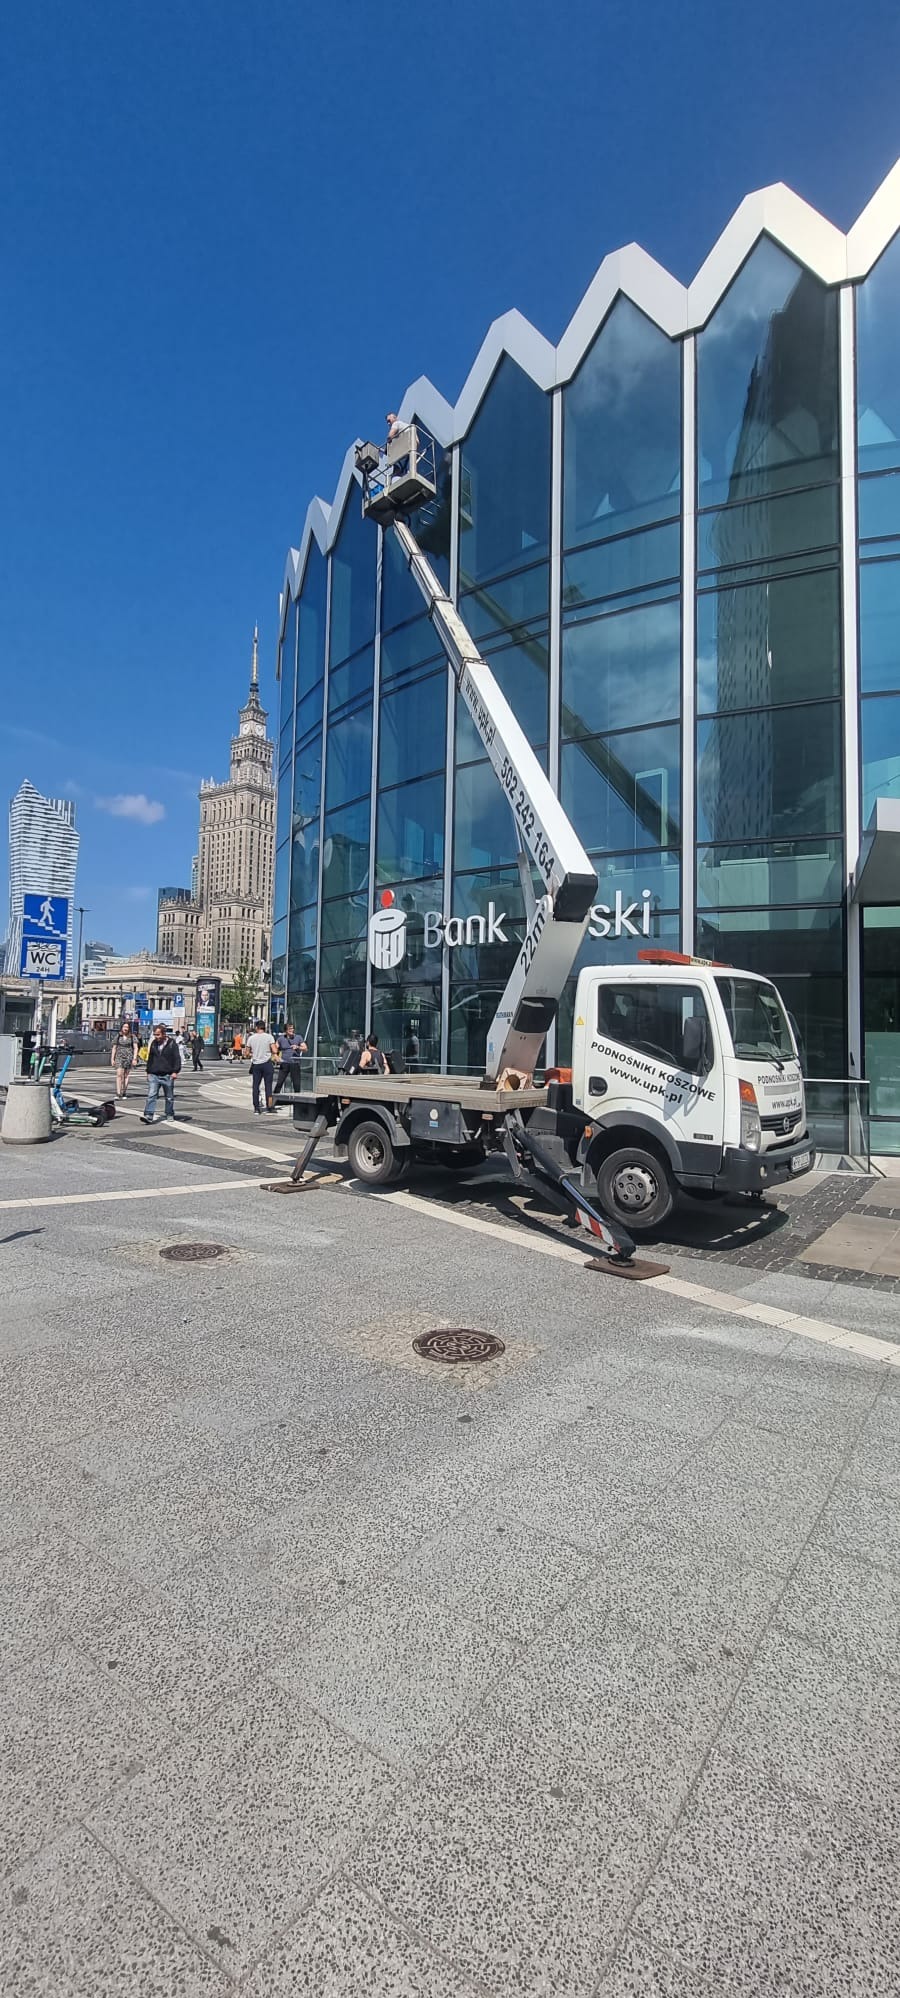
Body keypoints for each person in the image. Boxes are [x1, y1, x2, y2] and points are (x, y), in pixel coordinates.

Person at [141, 1023, 181, 1124]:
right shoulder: (154, 1043)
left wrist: (175, 1071)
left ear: (163, 1034)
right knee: (151, 1095)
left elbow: (177, 1058)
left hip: (167, 1074)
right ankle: (149, 1115)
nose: (156, 1037)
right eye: (155, 1034)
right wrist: (148, 1071)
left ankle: (169, 1113)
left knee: (169, 1096)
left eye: (158, 1035)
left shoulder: (172, 1043)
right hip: (154, 1074)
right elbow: (151, 1058)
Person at [247, 1018, 278, 1113]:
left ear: (256, 1028)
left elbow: (247, 1053)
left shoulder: (251, 1038)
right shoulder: (269, 1037)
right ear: (264, 1027)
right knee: (268, 1086)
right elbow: (275, 1050)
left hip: (256, 1064)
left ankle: (256, 1107)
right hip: (267, 1064)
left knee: (256, 1086)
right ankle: (270, 1106)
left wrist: (254, 1054)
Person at [273, 1022, 308, 1098]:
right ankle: (273, 1101)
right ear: (286, 1030)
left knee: (296, 1084)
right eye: (290, 1029)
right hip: (284, 1063)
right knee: (279, 1083)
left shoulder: (298, 1037)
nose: (292, 1030)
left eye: (292, 1028)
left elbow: (305, 1048)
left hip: (295, 1063)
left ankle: (298, 1101)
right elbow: (274, 1048)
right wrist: (276, 1056)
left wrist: (298, 1047)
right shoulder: (281, 1039)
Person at [110, 1019, 138, 1099]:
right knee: (119, 1074)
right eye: (124, 1027)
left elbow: (136, 1048)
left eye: (127, 1027)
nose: (125, 1028)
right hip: (119, 1057)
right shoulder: (118, 1036)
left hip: (128, 1057)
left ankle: (124, 1092)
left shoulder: (132, 1037)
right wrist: (112, 1059)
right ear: (121, 1028)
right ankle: (118, 1093)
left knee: (126, 1075)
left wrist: (135, 1058)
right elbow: (114, 1047)